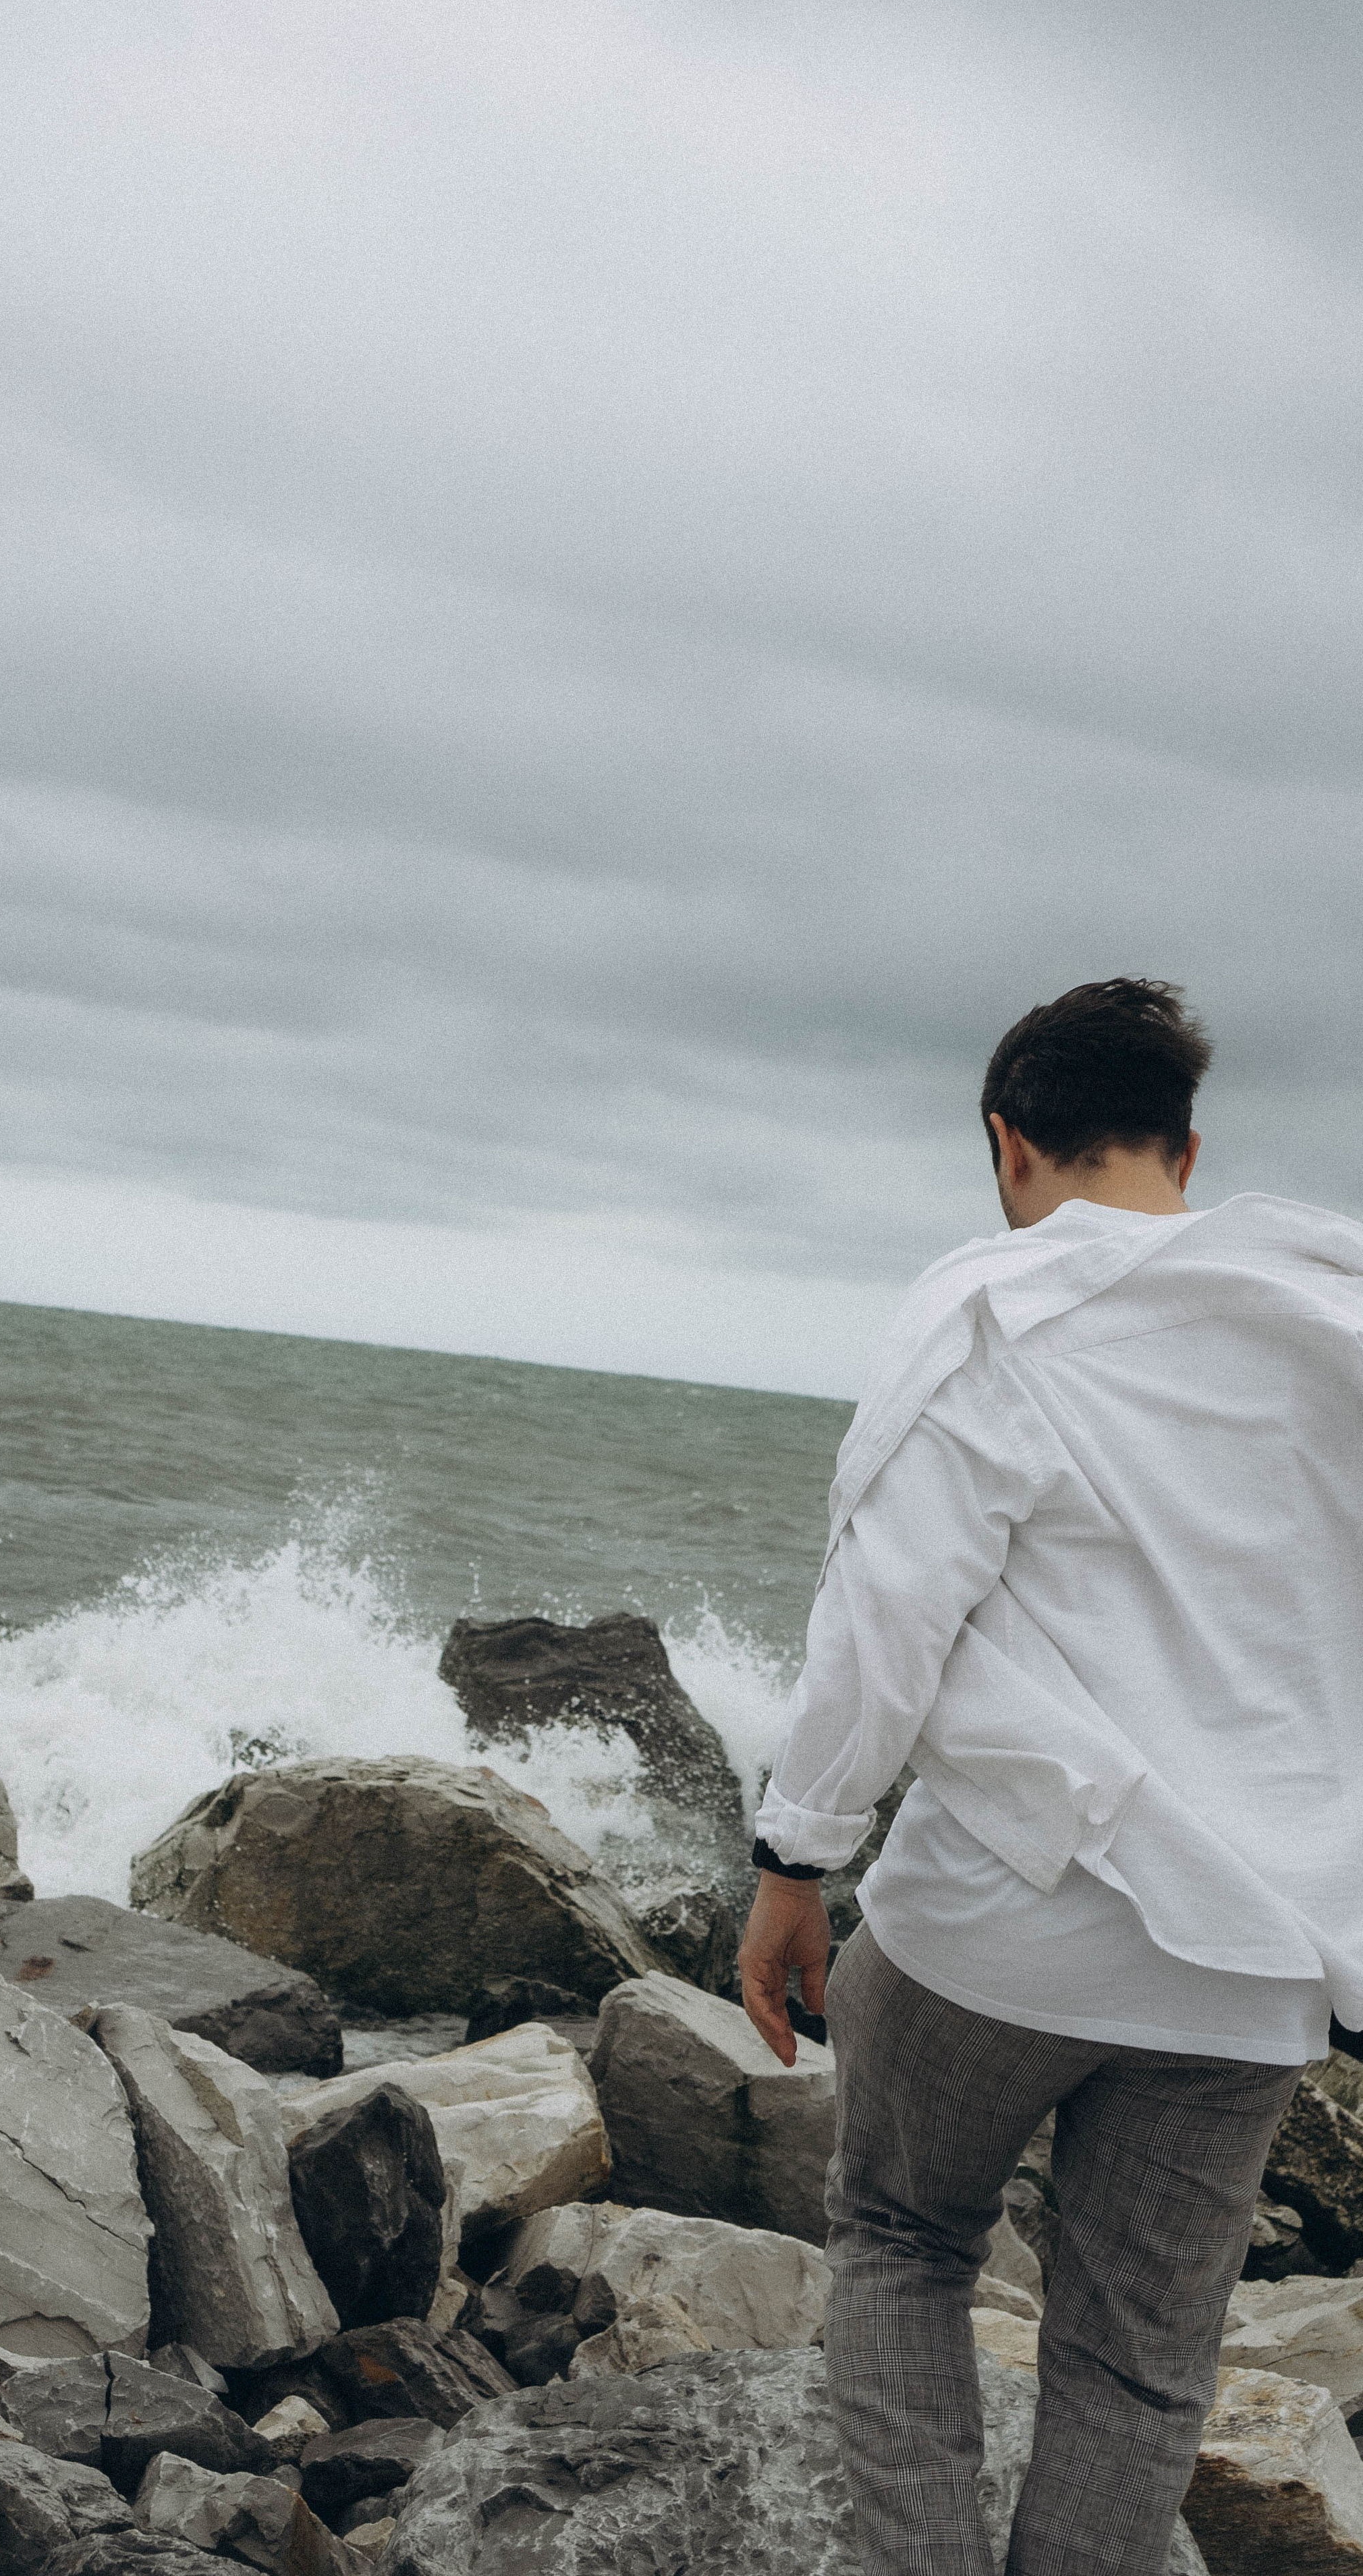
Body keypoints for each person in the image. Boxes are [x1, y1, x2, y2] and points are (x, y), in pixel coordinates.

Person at [738, 977, 1363, 2576]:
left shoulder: (994, 1309)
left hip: (1002, 1917)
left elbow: (885, 1619)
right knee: (1140, 2362)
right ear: (1186, 1145)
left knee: (897, 2236)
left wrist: (793, 1860)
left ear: (1008, 1145)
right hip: (1252, 1954)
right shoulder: (1332, 1318)